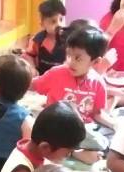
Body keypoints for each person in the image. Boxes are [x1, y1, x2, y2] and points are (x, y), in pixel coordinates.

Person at [30, 28, 113, 159]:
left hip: (81, 133)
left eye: (78, 58)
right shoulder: (56, 73)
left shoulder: (98, 83)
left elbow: (97, 114)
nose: (70, 62)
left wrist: (115, 125)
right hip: (55, 129)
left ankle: (74, 151)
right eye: (68, 55)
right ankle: (73, 152)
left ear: (95, 62)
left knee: (103, 142)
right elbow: (32, 85)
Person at [23, 0, 67, 75]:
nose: (59, 24)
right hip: (42, 76)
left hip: (63, 77)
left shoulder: (69, 40)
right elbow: (29, 55)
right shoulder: (37, 40)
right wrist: (32, 68)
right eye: (53, 21)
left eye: (61, 19)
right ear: (42, 24)